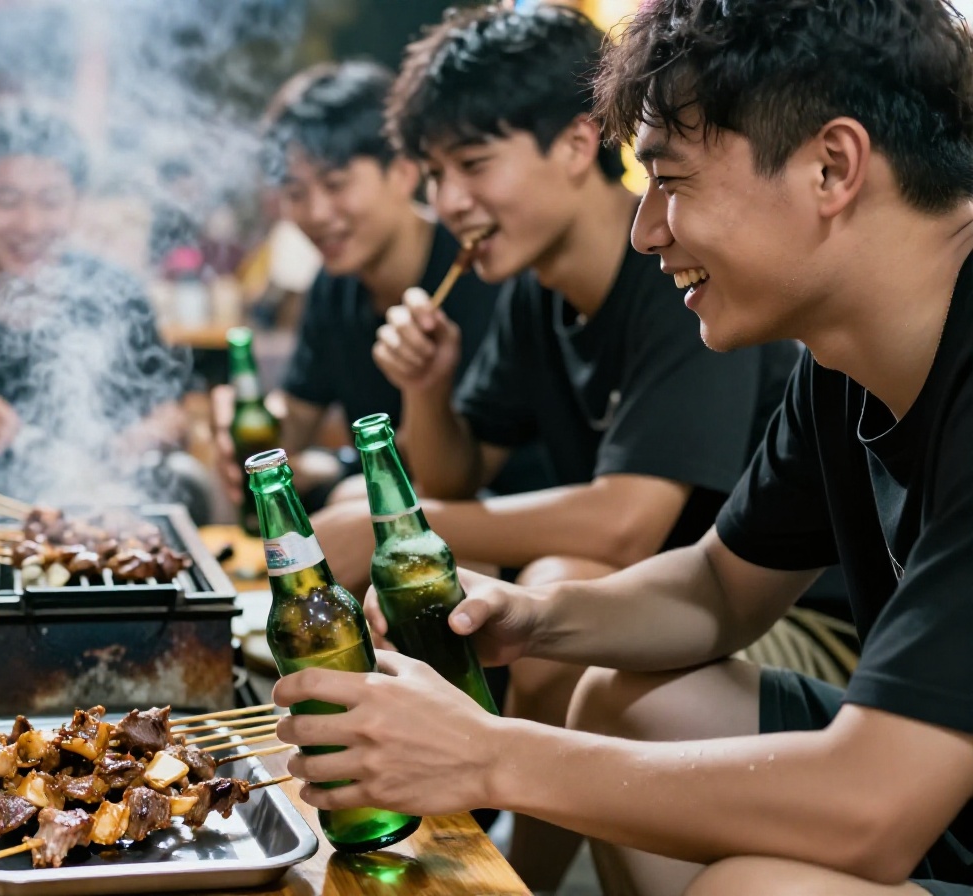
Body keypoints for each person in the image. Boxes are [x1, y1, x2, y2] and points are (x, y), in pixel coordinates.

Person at [273, 2, 973, 895]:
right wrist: (535, 620)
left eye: (672, 183)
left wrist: (490, 757)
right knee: (616, 697)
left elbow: (875, 809)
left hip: (910, 779)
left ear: (831, 167)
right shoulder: (842, 358)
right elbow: (721, 584)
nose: (648, 230)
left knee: (753, 889)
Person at [304, 12, 800, 887]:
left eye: (473, 164)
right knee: (543, 594)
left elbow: (622, 525)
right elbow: (456, 473)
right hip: (684, 596)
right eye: (435, 174)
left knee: (560, 576)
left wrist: (378, 530)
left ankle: (503, 870)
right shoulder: (536, 292)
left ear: (578, 144)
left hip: (786, 620)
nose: (449, 201)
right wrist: (426, 385)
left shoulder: (687, 281)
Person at [0, 102, 209, 522]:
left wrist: (140, 438)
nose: (30, 225)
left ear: (77, 203)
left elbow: (174, 409)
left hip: (100, 523)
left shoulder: (115, 291)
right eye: (7, 200)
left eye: (50, 201)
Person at [213, 61, 508, 513]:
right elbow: (294, 420)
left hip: (498, 506)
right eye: (295, 193)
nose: (316, 212)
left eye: (336, 184)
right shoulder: (333, 287)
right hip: (400, 502)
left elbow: (450, 460)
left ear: (405, 171)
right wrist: (243, 417)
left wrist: (338, 469)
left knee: (348, 499)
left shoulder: (478, 269)